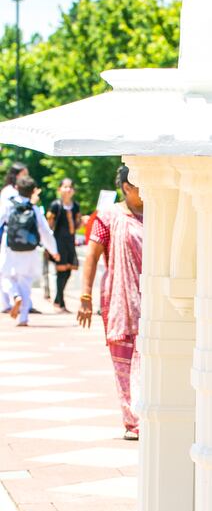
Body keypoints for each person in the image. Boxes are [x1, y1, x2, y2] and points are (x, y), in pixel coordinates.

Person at [77, 165, 143, 440]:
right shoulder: (107, 217)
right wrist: (85, 297)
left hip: (152, 301)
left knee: (152, 362)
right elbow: (91, 257)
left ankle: (150, 414)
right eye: (141, 184)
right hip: (120, 303)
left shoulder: (160, 214)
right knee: (125, 364)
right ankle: (132, 420)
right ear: (126, 188)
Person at [0, 175, 60, 326]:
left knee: (6, 277)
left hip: (10, 248)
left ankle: (14, 295)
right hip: (30, 250)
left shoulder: (8, 205)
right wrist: (54, 250)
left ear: (17, 188)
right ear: (33, 191)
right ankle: (24, 317)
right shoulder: (34, 209)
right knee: (25, 282)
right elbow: (45, 231)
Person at [46, 178, 81, 311]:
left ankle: (57, 299)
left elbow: (76, 224)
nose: (68, 189)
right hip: (59, 242)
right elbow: (49, 224)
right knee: (61, 273)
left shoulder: (75, 206)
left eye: (70, 187)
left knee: (68, 272)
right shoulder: (56, 205)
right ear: (59, 189)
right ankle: (60, 303)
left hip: (70, 243)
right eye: (65, 187)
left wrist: (82, 222)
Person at [0, 161, 29, 312]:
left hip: (8, 237)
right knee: (22, 275)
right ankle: (24, 306)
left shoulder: (6, 192)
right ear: (17, 175)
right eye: (24, 173)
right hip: (25, 239)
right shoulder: (20, 193)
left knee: (5, 272)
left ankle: (8, 301)